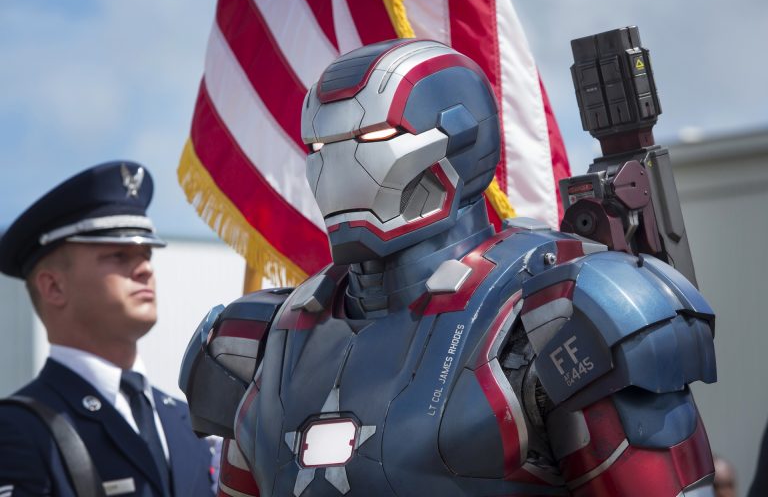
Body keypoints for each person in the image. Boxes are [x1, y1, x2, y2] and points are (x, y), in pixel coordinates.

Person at [181, 39, 718, 496]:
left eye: (372, 137)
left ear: (458, 139)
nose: (338, 161)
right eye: (321, 144)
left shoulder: (559, 314)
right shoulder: (259, 343)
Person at [0, 161, 214, 496]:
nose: (144, 269)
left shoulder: (194, 425)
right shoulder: (18, 430)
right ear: (53, 286)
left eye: (146, 254)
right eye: (118, 255)